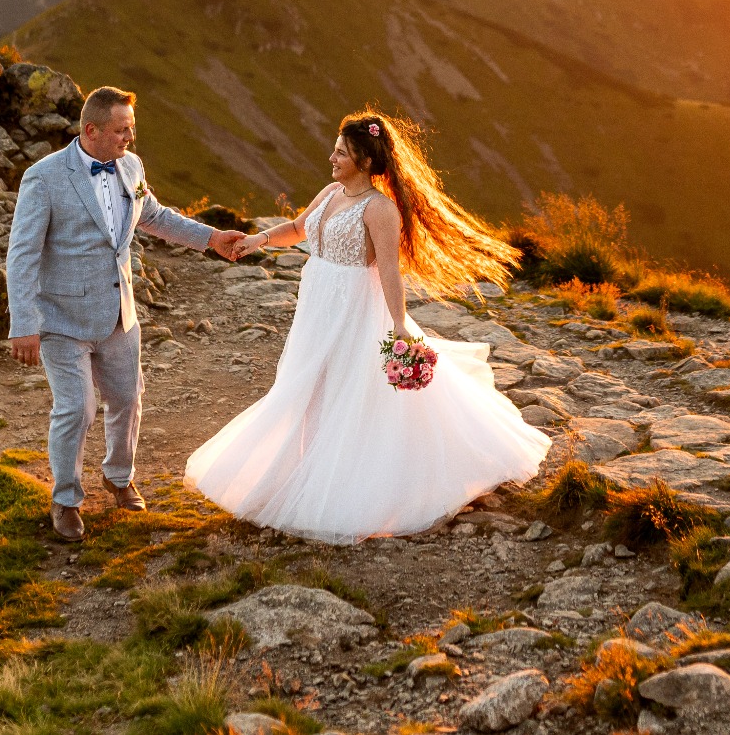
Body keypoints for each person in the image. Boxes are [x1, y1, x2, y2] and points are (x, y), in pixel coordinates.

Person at [185, 109, 550, 543]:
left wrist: (399, 326)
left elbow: (390, 271)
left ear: (365, 161)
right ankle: (305, 472)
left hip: (356, 310)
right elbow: (299, 228)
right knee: (309, 386)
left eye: (341, 153)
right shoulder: (330, 192)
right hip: (318, 305)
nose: (332, 158)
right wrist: (258, 239)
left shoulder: (380, 209)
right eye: (335, 150)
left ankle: (349, 486)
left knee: (350, 393)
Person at [5, 86, 246, 541]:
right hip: (61, 319)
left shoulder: (131, 166)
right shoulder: (44, 177)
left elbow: (154, 216)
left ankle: (119, 477)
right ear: (91, 130)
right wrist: (23, 324)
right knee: (77, 409)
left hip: (120, 315)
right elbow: (22, 255)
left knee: (128, 400)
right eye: (121, 130)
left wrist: (212, 238)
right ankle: (66, 499)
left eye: (131, 128)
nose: (129, 138)